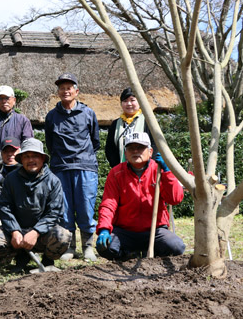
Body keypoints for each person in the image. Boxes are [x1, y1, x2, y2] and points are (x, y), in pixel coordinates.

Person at [0, 138, 72, 273]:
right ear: (21, 159)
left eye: (35, 156)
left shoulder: (53, 181)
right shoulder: (11, 179)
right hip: (16, 233)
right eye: (27, 156)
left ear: (42, 159)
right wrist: (14, 231)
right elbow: (4, 207)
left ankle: (47, 260)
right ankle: (18, 256)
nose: (30, 160)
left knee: (63, 236)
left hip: (42, 233)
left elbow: (54, 212)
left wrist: (35, 232)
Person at [96, 132, 185, 260]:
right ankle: (127, 255)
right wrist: (104, 229)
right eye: (131, 148)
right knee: (105, 248)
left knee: (176, 247)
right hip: (124, 231)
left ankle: (155, 258)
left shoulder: (159, 170)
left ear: (150, 151)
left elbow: (175, 199)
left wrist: (167, 172)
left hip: (155, 231)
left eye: (140, 147)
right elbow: (108, 204)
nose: (136, 151)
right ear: (125, 153)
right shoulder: (116, 173)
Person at [44, 73, 100, 261]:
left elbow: (95, 141)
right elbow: (50, 143)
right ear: (58, 92)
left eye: (69, 87)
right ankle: (69, 247)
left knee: (86, 207)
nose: (65, 91)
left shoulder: (88, 113)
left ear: (76, 91)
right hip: (60, 167)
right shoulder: (51, 116)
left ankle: (87, 247)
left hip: (85, 166)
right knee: (64, 210)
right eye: (62, 88)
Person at [105, 87, 157, 168]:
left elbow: (155, 144)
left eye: (132, 100)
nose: (129, 104)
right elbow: (110, 148)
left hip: (146, 168)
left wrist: (149, 164)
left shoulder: (148, 121)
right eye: (125, 101)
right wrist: (117, 166)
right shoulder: (115, 124)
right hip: (122, 169)